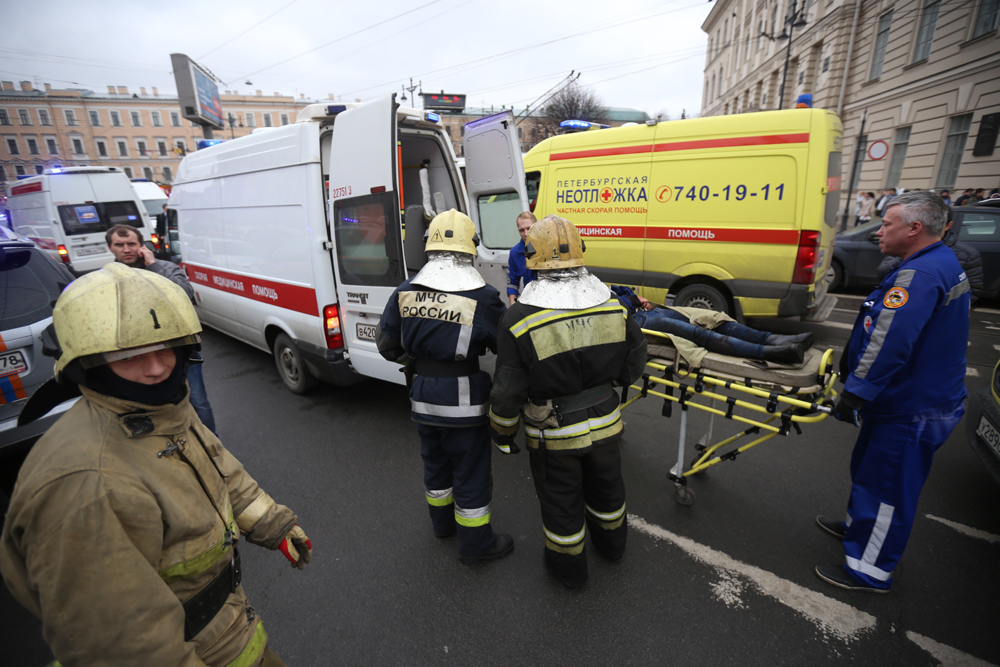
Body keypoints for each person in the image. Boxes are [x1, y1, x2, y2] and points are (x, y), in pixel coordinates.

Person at [0, 262, 312, 665]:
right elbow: (125, 643)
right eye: (128, 356)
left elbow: (218, 467)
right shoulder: (85, 484)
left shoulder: (162, 410)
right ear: (88, 364)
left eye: (166, 348)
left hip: (229, 630)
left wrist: (274, 524)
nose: (156, 368)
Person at [817, 191, 970, 593]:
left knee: (886, 488)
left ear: (914, 228)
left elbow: (890, 341)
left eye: (887, 224)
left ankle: (868, 571)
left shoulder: (920, 275)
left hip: (912, 406)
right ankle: (858, 529)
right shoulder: (935, 262)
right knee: (870, 473)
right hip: (908, 398)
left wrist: (856, 391)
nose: (879, 231)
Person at [488, 215, 648, 589]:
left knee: (562, 505)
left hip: (554, 436)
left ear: (531, 256)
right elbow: (635, 358)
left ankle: (569, 573)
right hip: (607, 423)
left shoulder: (517, 318)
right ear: (580, 251)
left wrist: (503, 432)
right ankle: (613, 548)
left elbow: (508, 390)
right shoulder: (612, 304)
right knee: (609, 491)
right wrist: (612, 384)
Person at [377, 209, 514, 564]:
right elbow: (507, 348)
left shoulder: (404, 291)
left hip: (422, 399)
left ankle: (442, 525)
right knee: (470, 471)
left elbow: (386, 345)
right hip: (464, 403)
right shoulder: (482, 296)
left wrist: (422, 362)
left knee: (435, 465)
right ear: (471, 248)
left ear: (429, 245)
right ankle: (476, 545)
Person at [107, 223, 217, 434]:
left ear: (142, 245)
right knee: (151, 407)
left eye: (131, 243)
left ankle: (211, 443)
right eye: (119, 245)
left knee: (198, 402)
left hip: (179, 348)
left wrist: (153, 266)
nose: (126, 249)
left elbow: (184, 294)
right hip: (136, 355)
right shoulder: (107, 279)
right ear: (110, 248)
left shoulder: (164, 268)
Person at [610, 284, 813, 365]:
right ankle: (771, 353)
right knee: (700, 334)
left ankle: (775, 339)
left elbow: (619, 289)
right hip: (638, 323)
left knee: (715, 320)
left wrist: (636, 298)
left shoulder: (597, 282)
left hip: (649, 311)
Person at [877, 216, 983, 305]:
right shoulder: (903, 247)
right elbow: (883, 272)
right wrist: (906, 254)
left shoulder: (965, 253)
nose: (879, 232)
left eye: (887, 225)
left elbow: (970, 292)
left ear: (948, 225)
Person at [506, 210, 537, 305]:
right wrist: (512, 307)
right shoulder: (515, 253)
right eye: (522, 230)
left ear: (536, 227)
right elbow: (512, 284)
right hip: (529, 301)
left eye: (529, 228)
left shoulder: (548, 248)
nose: (526, 234)